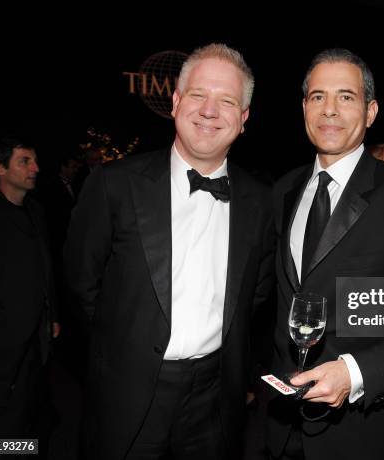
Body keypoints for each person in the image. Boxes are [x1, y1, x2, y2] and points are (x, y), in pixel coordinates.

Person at [64, 43, 274, 460]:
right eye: (198, 95)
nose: (210, 111)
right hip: (128, 391)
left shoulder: (262, 202)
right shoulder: (114, 185)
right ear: (176, 102)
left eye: (227, 100)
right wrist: (125, 352)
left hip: (216, 399)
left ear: (244, 119)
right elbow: (80, 287)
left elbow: (258, 294)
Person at [267, 48, 384, 460]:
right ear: (303, 107)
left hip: (360, 432)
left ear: (370, 112)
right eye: (317, 96)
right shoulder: (283, 190)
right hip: (280, 426)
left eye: (345, 97)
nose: (329, 110)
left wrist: (354, 373)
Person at [0, 138, 58, 445]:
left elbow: (45, 269)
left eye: (35, 161)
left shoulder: (35, 211)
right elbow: (3, 307)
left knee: (28, 432)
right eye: (24, 161)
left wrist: (53, 314)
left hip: (33, 351)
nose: (35, 168)